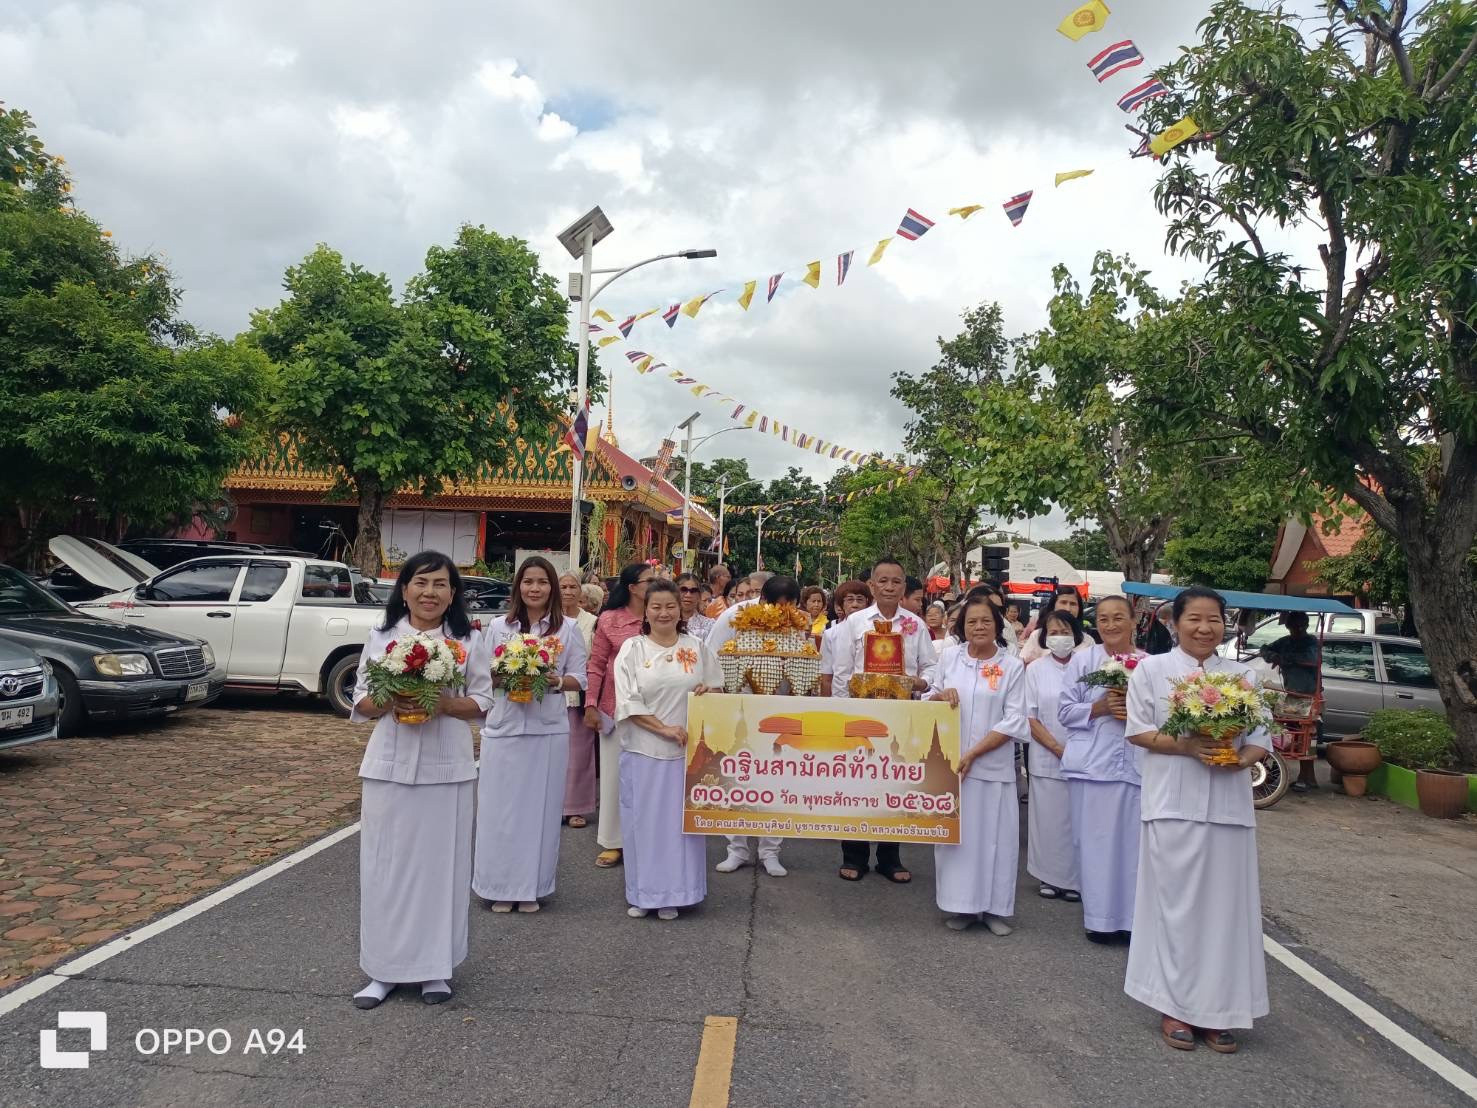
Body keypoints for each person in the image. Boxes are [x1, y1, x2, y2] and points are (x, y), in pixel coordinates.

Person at [1124, 586, 1270, 1054]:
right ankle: (1176, 1006)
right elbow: (1139, 730)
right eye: (1195, 619)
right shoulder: (1152, 671)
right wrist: (1187, 745)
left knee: (1226, 912)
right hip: (1172, 803)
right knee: (1176, 908)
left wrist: (1240, 758)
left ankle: (1221, 1010)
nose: (1205, 628)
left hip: (1228, 807)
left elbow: (1261, 738)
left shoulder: (1244, 677)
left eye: (1214, 619)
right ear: (1175, 623)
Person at [349, 551, 493, 1009]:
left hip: (446, 766)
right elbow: (361, 702)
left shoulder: (469, 640)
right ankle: (382, 970)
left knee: (440, 867)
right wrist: (393, 694)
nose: (430, 593)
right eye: (421, 582)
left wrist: (443, 704)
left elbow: (484, 700)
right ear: (405, 588)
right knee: (384, 868)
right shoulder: (381, 637)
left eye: (440, 585)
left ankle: (436, 968)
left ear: (453, 594)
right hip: (389, 764)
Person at [473, 557, 588, 913]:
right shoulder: (497, 627)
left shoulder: (567, 629)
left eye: (542, 582)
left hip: (546, 729)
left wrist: (554, 680)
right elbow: (481, 676)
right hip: (504, 727)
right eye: (528, 581)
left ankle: (530, 888)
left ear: (552, 588)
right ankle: (497, 886)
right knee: (499, 810)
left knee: (540, 810)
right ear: (517, 587)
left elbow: (579, 679)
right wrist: (502, 676)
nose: (534, 588)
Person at [612, 580, 723, 920]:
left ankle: (680, 892)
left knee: (680, 827)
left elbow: (717, 688)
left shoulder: (697, 648)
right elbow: (628, 700)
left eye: (670, 606)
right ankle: (645, 894)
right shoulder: (633, 649)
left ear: (681, 609)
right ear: (645, 610)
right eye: (656, 606)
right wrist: (662, 729)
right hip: (645, 750)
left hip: (687, 754)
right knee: (643, 824)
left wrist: (711, 692)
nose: (663, 612)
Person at [831, 557, 939, 883]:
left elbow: (931, 668)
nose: (890, 586)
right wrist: (842, 714)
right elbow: (841, 673)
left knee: (895, 783)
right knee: (857, 784)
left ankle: (890, 857)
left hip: (901, 715)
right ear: (872, 586)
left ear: (904, 587)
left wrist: (921, 683)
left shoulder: (915, 625)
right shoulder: (855, 623)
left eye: (896, 581)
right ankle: (854, 855)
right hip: (860, 714)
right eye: (883, 581)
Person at [930, 595, 1027, 935]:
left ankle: (993, 909)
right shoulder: (951, 659)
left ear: (997, 624)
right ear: (962, 627)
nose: (979, 627)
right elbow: (930, 696)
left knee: (995, 842)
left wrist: (974, 753)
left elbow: (1015, 720)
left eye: (986, 620)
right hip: (952, 768)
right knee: (957, 843)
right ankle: (961, 907)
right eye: (972, 622)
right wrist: (940, 696)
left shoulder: (1011, 666)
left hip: (992, 770)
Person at [1057, 595, 1143, 944]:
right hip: (1091, 767)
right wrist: (1099, 708)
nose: (1110, 625)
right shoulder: (1083, 662)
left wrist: (1132, 706)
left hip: (1136, 766)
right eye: (1104, 619)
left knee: (1132, 846)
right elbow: (1064, 712)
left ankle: (1133, 920)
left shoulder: (1150, 664)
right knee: (1093, 844)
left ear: (1133, 621)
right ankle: (1099, 920)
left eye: (1118, 617)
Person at [713, 575, 802, 878]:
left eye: (789, 607)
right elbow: (713, 657)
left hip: (781, 713)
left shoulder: (799, 623)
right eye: (776, 606)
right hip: (739, 711)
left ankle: (770, 852)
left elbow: (806, 666)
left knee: (776, 784)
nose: (783, 613)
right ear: (762, 599)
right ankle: (736, 849)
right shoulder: (735, 617)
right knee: (738, 780)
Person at [585, 563, 657, 868]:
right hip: (614, 709)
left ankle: (649, 840)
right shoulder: (609, 620)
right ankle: (613, 842)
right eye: (649, 581)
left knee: (651, 780)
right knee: (614, 778)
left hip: (657, 712)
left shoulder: (662, 616)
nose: (655, 585)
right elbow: (597, 663)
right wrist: (590, 704)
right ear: (632, 587)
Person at [1024, 609, 1083, 902]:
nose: (1060, 637)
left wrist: (1076, 750)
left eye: (1066, 631)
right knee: (1046, 819)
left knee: (1075, 820)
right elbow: (1030, 717)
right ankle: (1047, 877)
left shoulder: (1088, 667)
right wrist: (1058, 749)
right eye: (1054, 632)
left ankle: (1075, 880)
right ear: (1045, 636)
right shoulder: (1035, 669)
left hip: (1084, 756)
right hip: (1047, 756)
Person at [1261, 611, 1319, 791]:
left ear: (1307, 626)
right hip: (1292, 695)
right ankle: (1288, 773)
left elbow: (1312, 659)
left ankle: (1307, 777)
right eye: (1295, 626)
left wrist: (1285, 659)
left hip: (1308, 696)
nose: (1298, 630)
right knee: (1286, 733)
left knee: (1307, 737)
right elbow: (1264, 649)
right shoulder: (1285, 641)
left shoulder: (1311, 643)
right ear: (1288, 626)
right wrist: (1273, 656)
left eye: (1302, 626)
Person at [560, 572, 598, 830]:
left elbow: (596, 659)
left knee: (580, 753)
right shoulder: (547, 620)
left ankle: (576, 808)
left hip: (581, 693)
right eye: (563, 586)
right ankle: (553, 805)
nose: (568, 591)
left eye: (573, 586)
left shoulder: (592, 622)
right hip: (550, 695)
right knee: (554, 752)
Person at [818, 579, 871, 697]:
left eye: (860, 599)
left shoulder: (874, 632)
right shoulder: (831, 633)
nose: (855, 604)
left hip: (868, 697)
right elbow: (826, 675)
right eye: (850, 599)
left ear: (867, 603)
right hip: (840, 696)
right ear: (841, 604)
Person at [1020, 586, 1094, 663]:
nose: (1068, 608)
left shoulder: (1088, 641)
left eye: (1073, 604)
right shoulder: (1037, 636)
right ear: (1053, 605)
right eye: (1063, 602)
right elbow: (1024, 663)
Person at [677, 572, 715, 640]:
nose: (688, 595)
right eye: (683, 590)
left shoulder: (710, 625)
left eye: (693, 591)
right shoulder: (665, 621)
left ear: (699, 596)